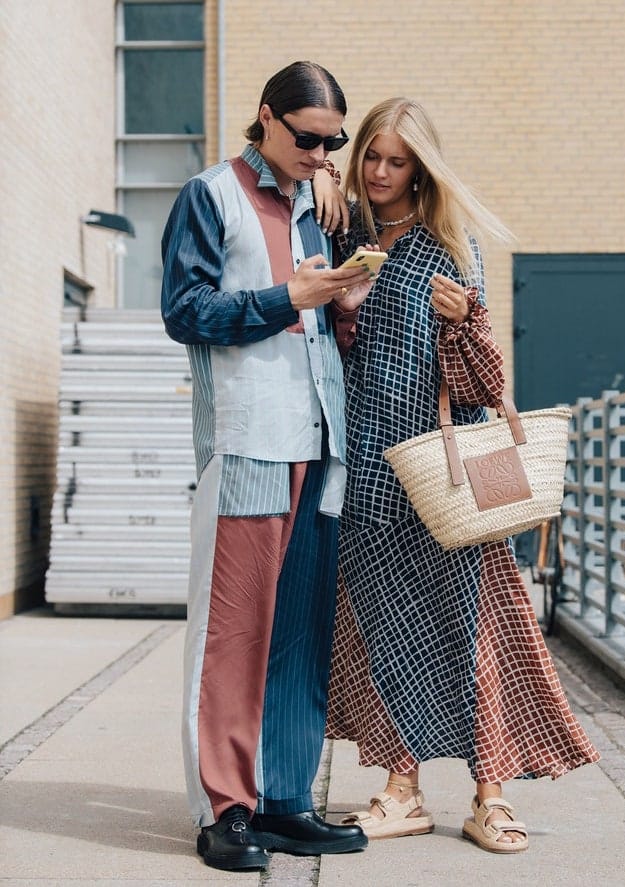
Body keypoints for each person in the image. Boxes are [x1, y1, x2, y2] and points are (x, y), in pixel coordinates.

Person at [314, 98, 601, 853]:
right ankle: (401, 788)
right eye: (369, 156)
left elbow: (482, 380)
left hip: (450, 481)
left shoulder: (449, 247)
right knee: (388, 636)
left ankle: (490, 794)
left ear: (422, 169)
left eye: (396, 160)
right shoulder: (345, 238)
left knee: (476, 633)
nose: (378, 172)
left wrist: (464, 317)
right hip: (370, 474)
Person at [160, 61, 374, 872]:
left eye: (333, 142)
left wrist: (339, 307)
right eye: (309, 138)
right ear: (266, 117)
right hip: (249, 442)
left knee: (299, 636)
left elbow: (316, 321)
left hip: (323, 444)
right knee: (235, 635)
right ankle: (226, 808)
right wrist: (290, 298)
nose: (323, 154)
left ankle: (285, 798)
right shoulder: (210, 196)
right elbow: (186, 311)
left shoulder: (318, 209)